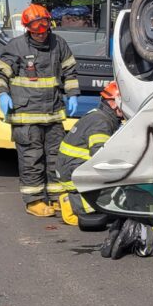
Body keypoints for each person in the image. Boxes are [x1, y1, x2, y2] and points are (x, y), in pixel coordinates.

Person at [0, 4, 82, 217]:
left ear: (49, 24)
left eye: (44, 29)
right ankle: (34, 201)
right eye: (36, 31)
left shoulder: (58, 44)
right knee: (32, 159)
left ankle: (56, 197)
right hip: (26, 117)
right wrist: (2, 94)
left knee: (56, 157)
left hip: (53, 114)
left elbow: (70, 70)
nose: (41, 35)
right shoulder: (16, 47)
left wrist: (73, 93)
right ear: (28, 29)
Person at [54, 81, 123, 228]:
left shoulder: (102, 115)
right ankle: (71, 203)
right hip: (74, 173)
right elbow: (100, 155)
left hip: (72, 168)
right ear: (113, 103)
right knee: (117, 200)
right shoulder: (101, 122)